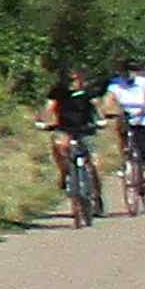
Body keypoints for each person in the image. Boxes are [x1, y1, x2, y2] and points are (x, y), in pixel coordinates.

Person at [101, 58, 145, 214]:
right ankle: (126, 162)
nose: (130, 74)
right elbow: (108, 99)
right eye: (127, 70)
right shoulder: (115, 84)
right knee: (123, 133)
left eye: (133, 70)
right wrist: (106, 110)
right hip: (127, 119)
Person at [43, 75, 105, 223]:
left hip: (85, 130)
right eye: (68, 81)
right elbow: (48, 108)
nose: (71, 84)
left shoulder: (87, 93)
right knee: (58, 144)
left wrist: (101, 120)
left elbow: (96, 106)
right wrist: (43, 121)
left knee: (93, 163)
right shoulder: (58, 92)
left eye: (74, 81)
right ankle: (65, 173)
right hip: (64, 129)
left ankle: (97, 197)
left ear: (80, 81)